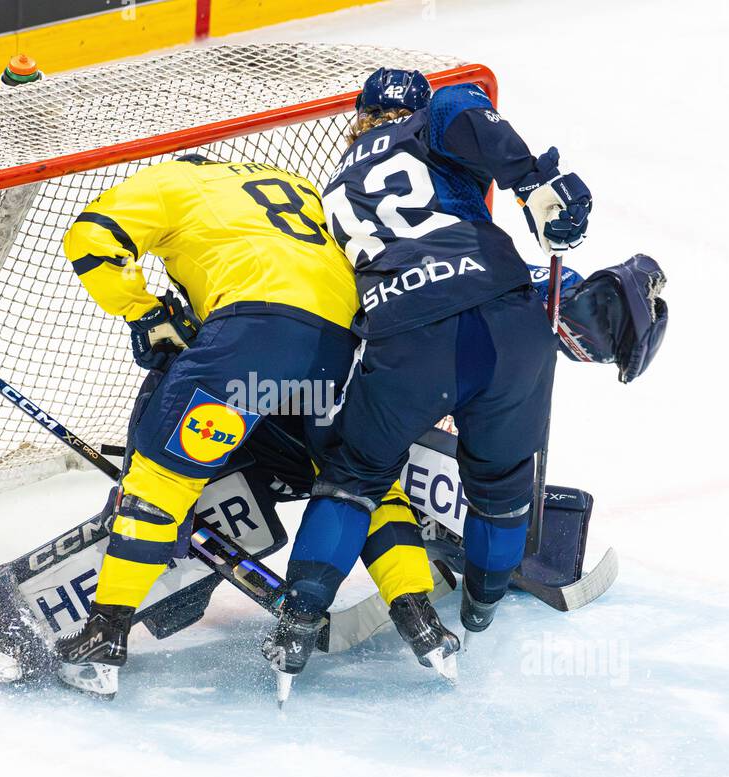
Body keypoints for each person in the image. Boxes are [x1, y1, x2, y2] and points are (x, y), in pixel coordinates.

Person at [54, 155, 458, 698]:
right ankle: (419, 615)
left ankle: (103, 636)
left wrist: (145, 311)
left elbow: (92, 239)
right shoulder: (297, 183)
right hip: (333, 352)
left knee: (161, 483)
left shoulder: (174, 180)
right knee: (359, 480)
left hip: (247, 343)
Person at [269, 68, 595, 689]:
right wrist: (535, 182)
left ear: (361, 114)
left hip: (406, 335)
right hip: (506, 320)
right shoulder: (435, 116)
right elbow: (462, 113)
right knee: (501, 486)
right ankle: (481, 611)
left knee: (352, 480)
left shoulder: (332, 186)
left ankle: (295, 626)